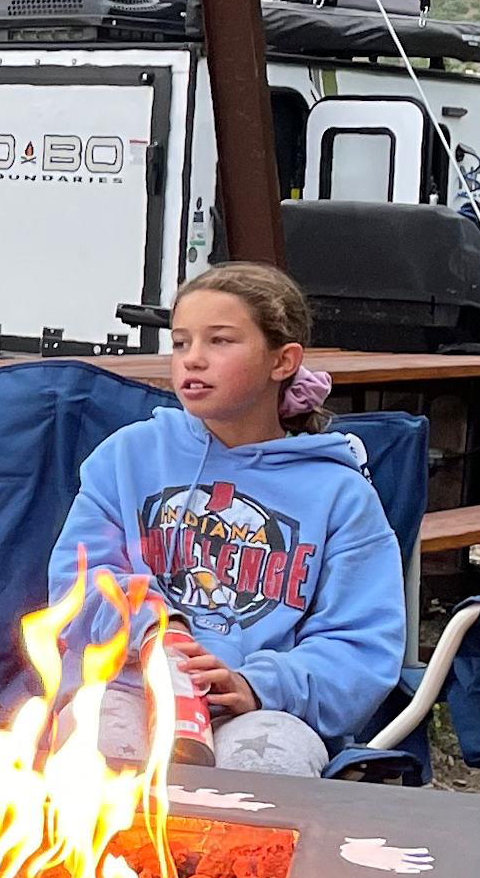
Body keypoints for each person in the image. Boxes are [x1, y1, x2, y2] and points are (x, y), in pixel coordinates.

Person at [50, 261, 404, 777]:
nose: (193, 360)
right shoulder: (127, 458)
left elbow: (361, 647)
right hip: (125, 682)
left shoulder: (338, 494)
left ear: (282, 361)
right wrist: (151, 629)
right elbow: (78, 582)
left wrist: (260, 684)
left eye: (220, 342)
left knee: (262, 774)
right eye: (180, 342)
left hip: (269, 708)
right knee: (99, 762)